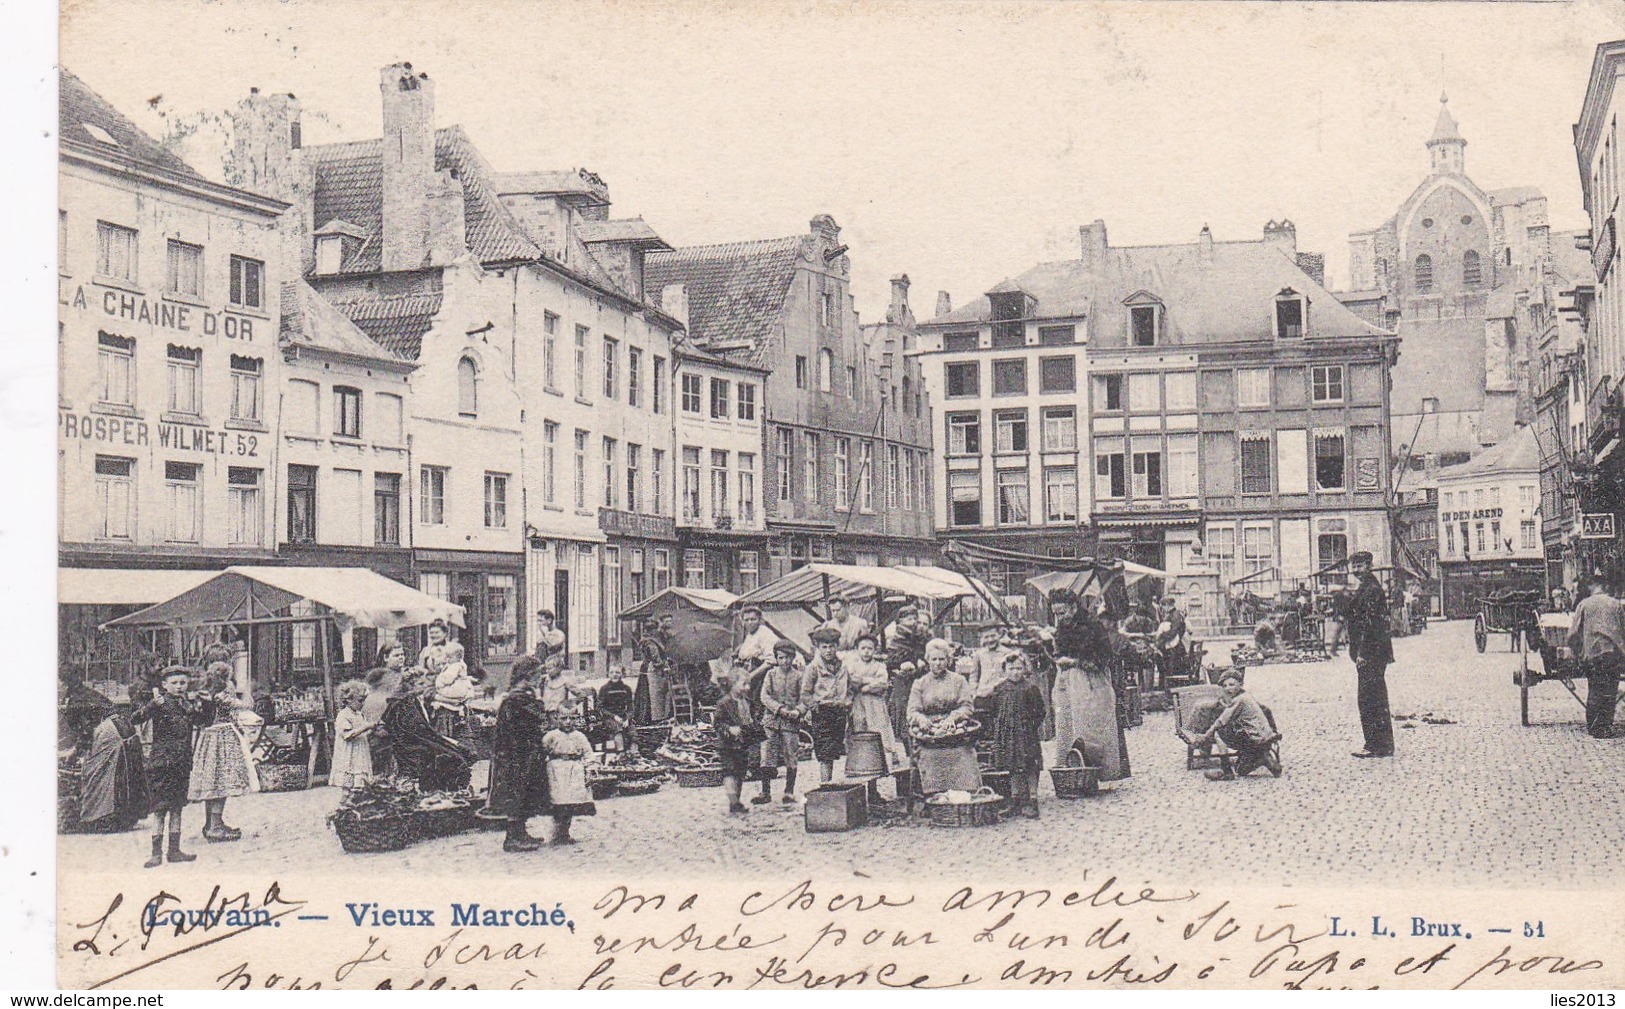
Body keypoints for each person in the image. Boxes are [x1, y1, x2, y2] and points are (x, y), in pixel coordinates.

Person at [1049, 589, 1129, 779]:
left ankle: (1097, 771)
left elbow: (1104, 658)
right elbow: (1059, 651)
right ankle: (1071, 770)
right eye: (1056, 614)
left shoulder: (1093, 626)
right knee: (1066, 725)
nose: (1059, 617)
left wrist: (1075, 661)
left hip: (1091, 683)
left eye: (1062, 612)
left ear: (1073, 607)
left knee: (1092, 728)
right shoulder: (1062, 627)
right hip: (1067, 682)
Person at [131, 667, 204, 868]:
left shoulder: (187, 705)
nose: (180, 686)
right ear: (164, 685)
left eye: (183, 682)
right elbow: (136, 718)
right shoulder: (160, 704)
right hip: (162, 764)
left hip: (181, 762)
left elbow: (203, 721)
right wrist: (152, 704)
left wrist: (204, 704)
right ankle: (156, 853)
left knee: (178, 807)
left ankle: (174, 850)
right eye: (175, 683)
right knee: (160, 809)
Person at [482, 657, 552, 852]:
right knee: (517, 792)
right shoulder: (516, 699)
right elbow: (532, 720)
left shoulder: (521, 697)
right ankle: (512, 838)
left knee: (526, 791)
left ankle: (521, 832)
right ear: (527, 677)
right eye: (538, 675)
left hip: (525, 752)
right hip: (516, 755)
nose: (540, 679)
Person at [187, 663, 257, 842]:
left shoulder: (206, 694)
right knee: (221, 780)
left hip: (208, 737)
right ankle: (215, 826)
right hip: (223, 737)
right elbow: (247, 706)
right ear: (226, 678)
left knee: (211, 780)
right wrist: (246, 688)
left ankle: (211, 823)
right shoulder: (222, 695)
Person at [906, 638, 980, 799]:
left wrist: (953, 718)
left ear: (948, 660)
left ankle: (964, 795)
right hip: (929, 735)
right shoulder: (920, 683)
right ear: (928, 660)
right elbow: (912, 711)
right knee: (927, 755)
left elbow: (967, 706)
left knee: (963, 753)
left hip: (955, 733)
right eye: (934, 659)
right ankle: (932, 797)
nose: (938, 663)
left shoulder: (959, 681)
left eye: (941, 659)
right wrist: (921, 719)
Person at [381, 668, 475, 791]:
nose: (424, 686)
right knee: (453, 756)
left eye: (424, 683)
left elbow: (423, 729)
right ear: (409, 686)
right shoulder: (402, 705)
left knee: (459, 751)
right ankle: (445, 790)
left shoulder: (412, 700)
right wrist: (440, 740)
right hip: (409, 746)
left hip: (420, 739)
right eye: (420, 684)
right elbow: (413, 732)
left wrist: (443, 740)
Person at [1346, 551, 1395, 759]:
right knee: (1375, 697)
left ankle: (1375, 745)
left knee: (1369, 699)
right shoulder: (1368, 588)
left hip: (1371, 653)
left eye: (1360, 566)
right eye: (1354, 566)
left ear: (1369, 565)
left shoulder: (1372, 590)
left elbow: (1370, 624)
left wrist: (1363, 653)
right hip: (1375, 652)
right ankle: (1381, 744)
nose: (1356, 570)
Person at [1196, 669, 1283, 780]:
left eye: (1232, 684)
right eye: (1225, 686)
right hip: (1264, 738)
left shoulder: (1239, 700)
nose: (1228, 688)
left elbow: (1221, 721)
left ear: (1240, 684)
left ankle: (1226, 770)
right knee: (1241, 770)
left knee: (1219, 731)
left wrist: (1205, 736)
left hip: (1254, 738)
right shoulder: (1247, 696)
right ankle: (1263, 759)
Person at [1566, 574, 1624, 740]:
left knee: (1595, 688)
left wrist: (1578, 653)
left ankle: (1594, 727)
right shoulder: (1616, 605)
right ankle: (1605, 726)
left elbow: (1573, 634)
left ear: (1592, 587)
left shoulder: (1584, 604)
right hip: (1613, 654)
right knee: (1610, 690)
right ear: (1605, 587)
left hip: (1593, 654)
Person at [989, 651, 1046, 818]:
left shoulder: (1030, 688)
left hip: (1026, 734)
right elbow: (994, 711)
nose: (1015, 672)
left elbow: (1040, 711)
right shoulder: (999, 689)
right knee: (1012, 765)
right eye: (1011, 668)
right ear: (1005, 670)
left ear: (1024, 669)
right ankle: (1015, 799)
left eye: (1019, 668)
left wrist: (1029, 727)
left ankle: (1032, 800)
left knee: (1030, 764)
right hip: (1007, 734)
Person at [844, 632, 904, 790]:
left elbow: (882, 683)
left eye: (869, 648)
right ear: (857, 649)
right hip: (858, 705)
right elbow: (851, 681)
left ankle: (876, 782)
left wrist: (865, 685)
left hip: (876, 705)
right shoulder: (851, 666)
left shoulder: (879, 666)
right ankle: (861, 780)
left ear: (874, 650)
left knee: (878, 735)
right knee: (860, 735)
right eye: (863, 648)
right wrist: (868, 682)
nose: (866, 651)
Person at [78, 703, 149, 834]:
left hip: (116, 761)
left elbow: (93, 754)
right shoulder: (118, 722)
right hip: (126, 759)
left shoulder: (102, 728)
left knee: (100, 781)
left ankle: (100, 817)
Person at [754, 640, 806, 805]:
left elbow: (805, 698)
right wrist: (778, 709)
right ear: (776, 658)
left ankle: (789, 791)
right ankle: (765, 792)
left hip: (791, 722)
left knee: (791, 755)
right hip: (771, 720)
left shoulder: (799, 676)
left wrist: (798, 711)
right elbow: (764, 696)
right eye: (781, 658)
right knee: (767, 755)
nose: (784, 661)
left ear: (793, 658)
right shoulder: (770, 674)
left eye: (788, 658)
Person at [800, 626, 851, 783]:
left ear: (837, 647)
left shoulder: (843, 666)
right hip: (822, 713)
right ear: (818, 648)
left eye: (831, 646)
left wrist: (847, 703)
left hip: (839, 712)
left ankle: (830, 783)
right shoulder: (813, 668)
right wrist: (815, 707)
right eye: (824, 647)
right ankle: (825, 785)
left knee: (835, 750)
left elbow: (849, 688)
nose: (828, 651)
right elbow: (805, 694)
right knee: (824, 752)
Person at [714, 667, 764, 816]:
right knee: (729, 771)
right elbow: (717, 723)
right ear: (733, 684)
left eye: (748, 684)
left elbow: (754, 718)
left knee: (740, 772)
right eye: (744, 684)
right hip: (728, 744)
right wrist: (729, 729)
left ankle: (737, 800)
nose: (747, 688)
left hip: (742, 743)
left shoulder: (747, 702)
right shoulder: (724, 703)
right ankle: (733, 802)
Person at [541, 713, 596, 844]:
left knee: (570, 803)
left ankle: (564, 832)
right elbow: (541, 752)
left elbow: (588, 754)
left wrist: (589, 771)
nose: (568, 722)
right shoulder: (551, 736)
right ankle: (557, 832)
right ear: (557, 718)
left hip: (574, 771)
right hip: (556, 771)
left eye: (572, 718)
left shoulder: (580, 736)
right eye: (564, 718)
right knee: (558, 802)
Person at [885, 606, 931, 742]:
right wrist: (900, 665)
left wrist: (923, 661)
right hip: (904, 683)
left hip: (921, 681)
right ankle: (909, 750)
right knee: (905, 715)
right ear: (900, 622)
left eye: (915, 619)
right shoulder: (895, 640)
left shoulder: (924, 639)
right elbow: (890, 661)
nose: (913, 623)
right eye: (909, 619)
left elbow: (930, 656)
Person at [362, 666, 401, 777]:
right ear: (382, 683)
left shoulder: (368, 698)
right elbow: (378, 728)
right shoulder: (382, 699)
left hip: (371, 741)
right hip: (380, 742)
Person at [430, 642, 474, 739]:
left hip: (453, 708)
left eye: (444, 663)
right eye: (438, 664)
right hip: (445, 711)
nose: (442, 666)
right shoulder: (428, 679)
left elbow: (468, 690)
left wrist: (440, 683)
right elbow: (428, 694)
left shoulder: (454, 667)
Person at [969, 624, 1015, 710]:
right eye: (986, 637)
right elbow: (973, 676)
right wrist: (974, 692)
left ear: (999, 635)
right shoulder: (979, 654)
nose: (990, 639)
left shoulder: (1007, 653)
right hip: (982, 696)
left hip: (1001, 695)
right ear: (982, 638)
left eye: (993, 636)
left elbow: (1010, 675)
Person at [735, 606, 781, 674]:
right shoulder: (750, 634)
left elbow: (771, 661)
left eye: (753, 619)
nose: (750, 623)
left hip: (763, 675)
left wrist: (751, 676)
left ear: (759, 620)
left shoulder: (765, 633)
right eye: (746, 620)